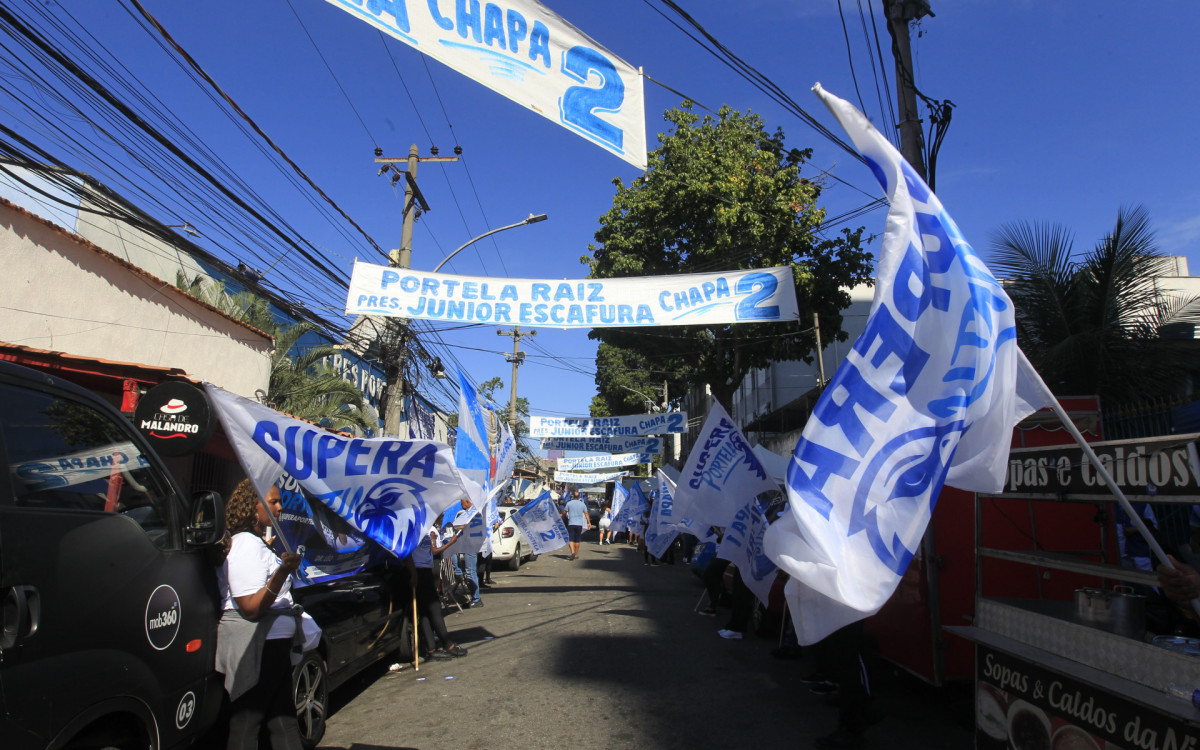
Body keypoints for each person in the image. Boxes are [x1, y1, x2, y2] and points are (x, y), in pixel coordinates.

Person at [215, 479, 309, 750]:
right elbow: (250, 607)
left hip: (272, 645)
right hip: (257, 645)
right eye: (273, 502)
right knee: (248, 722)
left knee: (283, 720)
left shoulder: (256, 543)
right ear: (251, 507)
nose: (279, 508)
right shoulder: (245, 544)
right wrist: (282, 571)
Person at [410, 513, 468, 661]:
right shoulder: (419, 529)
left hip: (425, 569)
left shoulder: (428, 529)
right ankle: (447, 644)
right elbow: (434, 550)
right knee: (434, 609)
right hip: (420, 571)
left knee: (425, 612)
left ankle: (431, 648)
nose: (441, 517)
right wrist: (451, 542)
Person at [561, 490, 591, 560]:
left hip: (571, 523)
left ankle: (572, 552)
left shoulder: (569, 503)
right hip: (579, 524)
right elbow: (586, 513)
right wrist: (589, 522)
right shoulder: (582, 504)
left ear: (573, 496)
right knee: (577, 540)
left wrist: (562, 517)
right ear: (579, 497)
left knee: (571, 539)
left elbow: (564, 512)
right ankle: (576, 554)